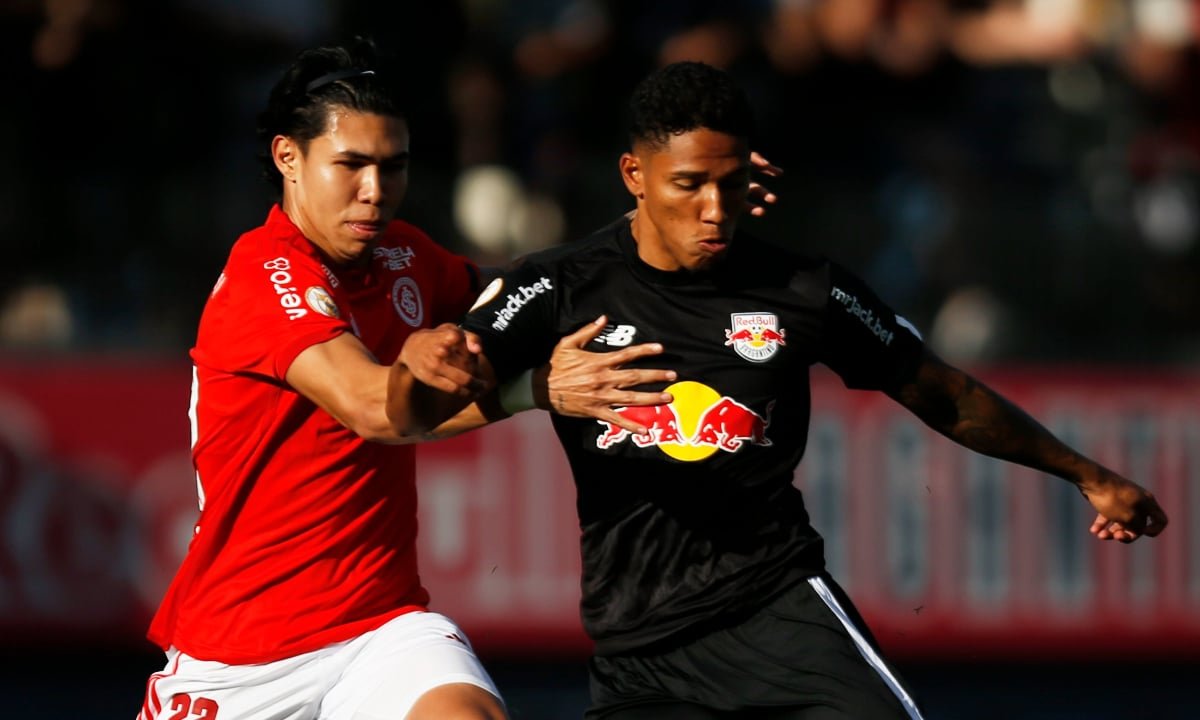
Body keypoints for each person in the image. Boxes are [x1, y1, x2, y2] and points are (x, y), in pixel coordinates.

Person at [442, 61, 1171, 719]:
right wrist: (531, 387)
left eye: (730, 183)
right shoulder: (559, 288)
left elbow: (941, 393)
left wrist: (1087, 474)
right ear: (635, 175)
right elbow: (419, 407)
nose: (714, 209)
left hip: (778, 615)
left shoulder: (801, 289)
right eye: (688, 185)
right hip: (639, 653)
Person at [135, 37, 681, 720]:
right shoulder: (263, 276)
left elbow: (523, 298)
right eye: (351, 165)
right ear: (288, 158)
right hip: (240, 656)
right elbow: (375, 411)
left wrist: (659, 221)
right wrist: (530, 389)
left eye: (392, 167)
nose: (375, 191)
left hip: (379, 630)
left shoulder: (403, 255)